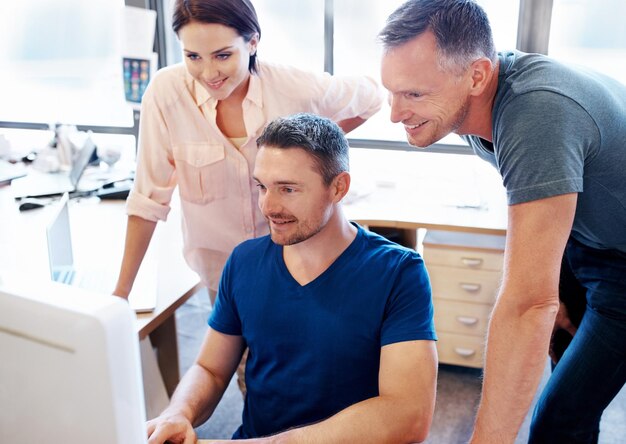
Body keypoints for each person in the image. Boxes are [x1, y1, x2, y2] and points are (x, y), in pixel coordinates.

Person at [378, 0, 626, 443]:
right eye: (392, 91)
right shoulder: (480, 98)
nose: (396, 113)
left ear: (475, 75)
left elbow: (527, 305)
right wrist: (553, 287)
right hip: (586, 237)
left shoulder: (538, 112)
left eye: (414, 94)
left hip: (622, 259)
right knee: (563, 361)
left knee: (558, 419)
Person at [145, 113, 438, 443]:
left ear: (338, 187)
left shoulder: (399, 273)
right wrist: (179, 412)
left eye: (287, 189)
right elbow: (210, 370)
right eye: (262, 187)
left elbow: (408, 416)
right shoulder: (244, 261)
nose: (269, 206)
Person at [113, 0, 383, 305]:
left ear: (252, 42)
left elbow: (372, 96)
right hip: (221, 274)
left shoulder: (294, 88)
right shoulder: (166, 95)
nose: (208, 72)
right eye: (193, 56)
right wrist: (120, 295)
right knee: (228, 352)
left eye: (223, 55)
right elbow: (147, 201)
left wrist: (315, 149)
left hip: (297, 269)